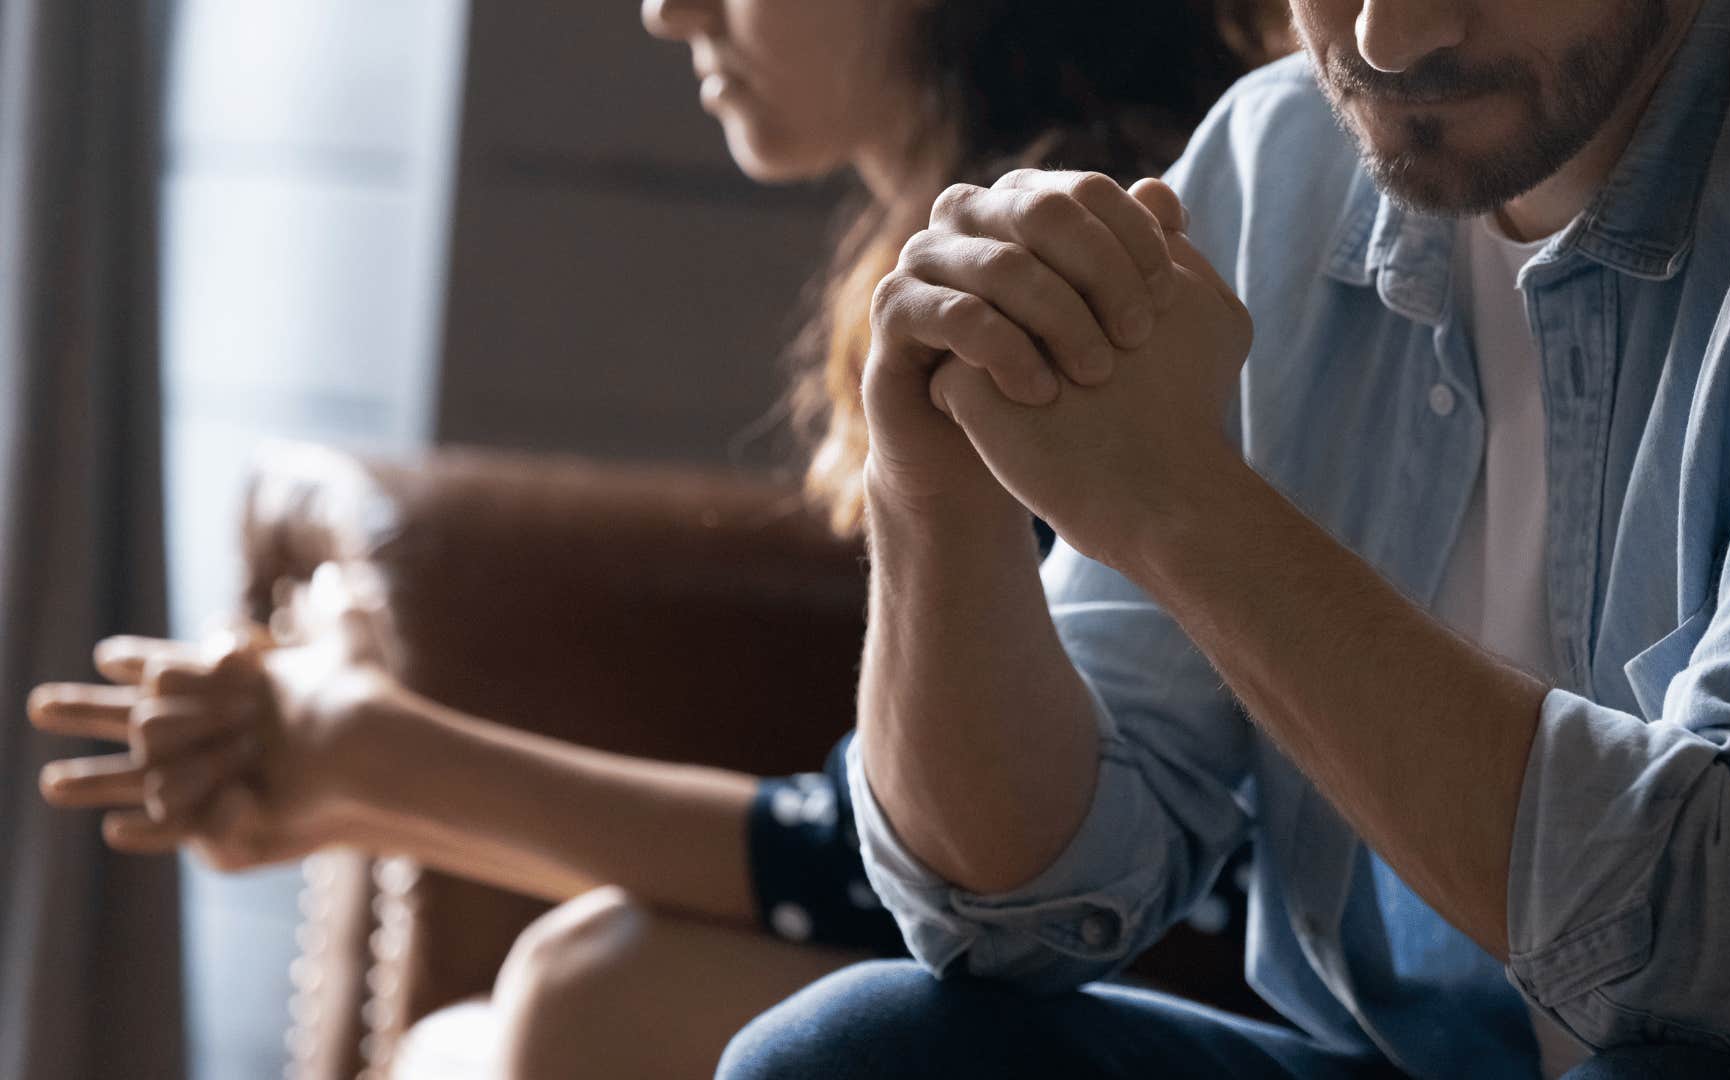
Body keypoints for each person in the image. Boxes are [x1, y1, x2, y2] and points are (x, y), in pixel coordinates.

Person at [22, 2, 1281, 1077]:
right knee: (531, 1016)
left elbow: (937, 871)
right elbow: (881, 846)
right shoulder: (971, 250)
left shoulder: (1098, 259)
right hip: (1070, 947)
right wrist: (348, 773)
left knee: (597, 990)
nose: (669, 12)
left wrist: (375, 763)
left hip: (1218, 976)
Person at [713, 0, 1730, 1077]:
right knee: (843, 1055)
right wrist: (933, 496)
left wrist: (1185, 509)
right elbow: (1013, 904)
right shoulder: (1277, 154)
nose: (1393, 39)